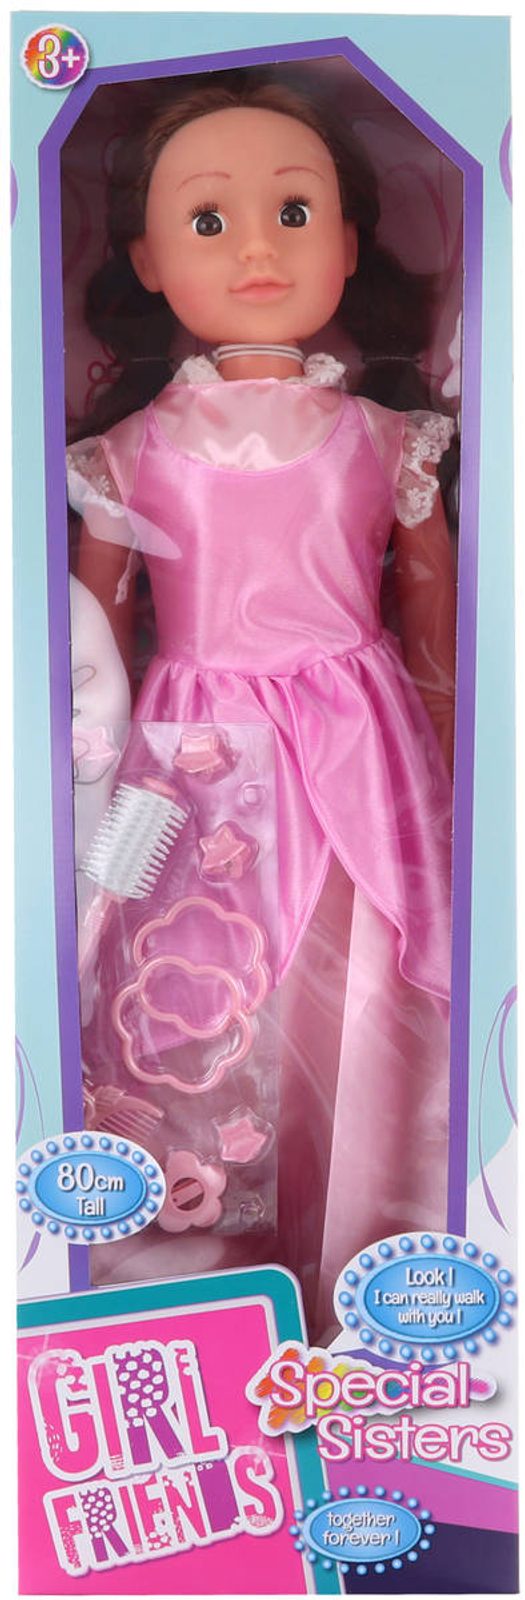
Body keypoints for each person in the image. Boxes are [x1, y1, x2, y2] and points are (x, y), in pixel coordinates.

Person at [68, 73, 456, 1329]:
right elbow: (86, 648)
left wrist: (456, 761)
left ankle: (379, 1257)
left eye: (293, 213)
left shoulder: (388, 439)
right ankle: (195, 1274)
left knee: (366, 978)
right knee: (182, 984)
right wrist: (77, 779)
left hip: (362, 740)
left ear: (349, 241)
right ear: (146, 260)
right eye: (208, 219)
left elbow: (438, 636)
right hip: (187, 757)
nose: (254, 251)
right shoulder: (129, 452)